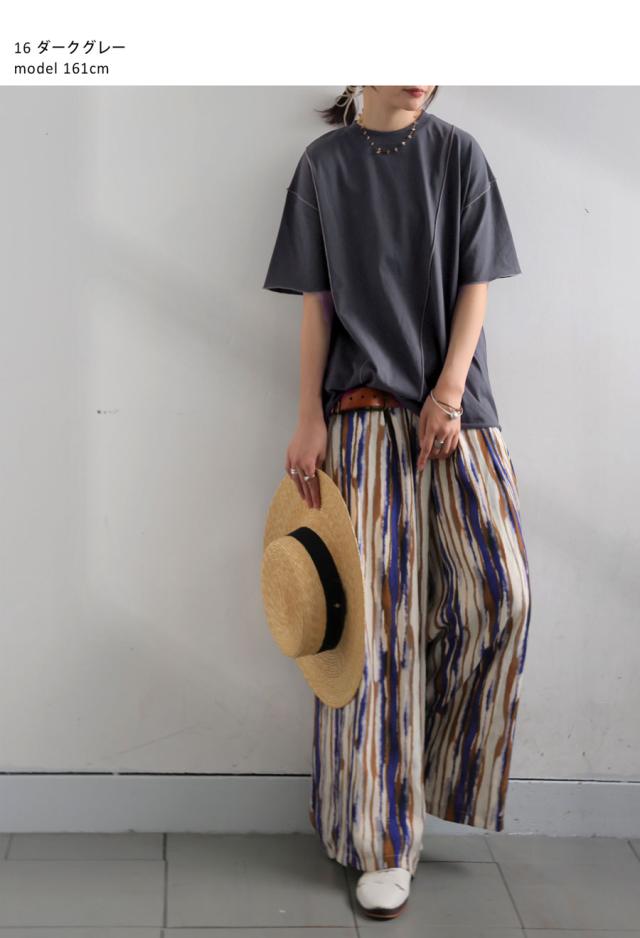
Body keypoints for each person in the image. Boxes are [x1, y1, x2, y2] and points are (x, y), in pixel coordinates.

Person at [262, 85, 532, 921]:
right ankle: (383, 840)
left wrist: (448, 393)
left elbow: (476, 283)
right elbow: (318, 308)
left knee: (504, 595)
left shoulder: (459, 155)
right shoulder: (323, 167)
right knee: (374, 633)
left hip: (457, 411)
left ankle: (427, 776)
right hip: (359, 413)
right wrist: (307, 416)